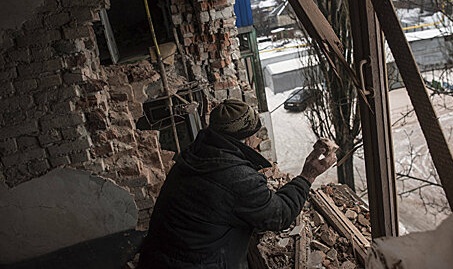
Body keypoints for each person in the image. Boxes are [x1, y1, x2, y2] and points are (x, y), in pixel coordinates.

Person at [138, 99, 337, 269]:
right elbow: (279, 215)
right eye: (255, 134)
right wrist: (307, 175)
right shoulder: (237, 178)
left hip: (156, 258)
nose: (258, 139)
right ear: (247, 138)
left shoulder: (193, 157)